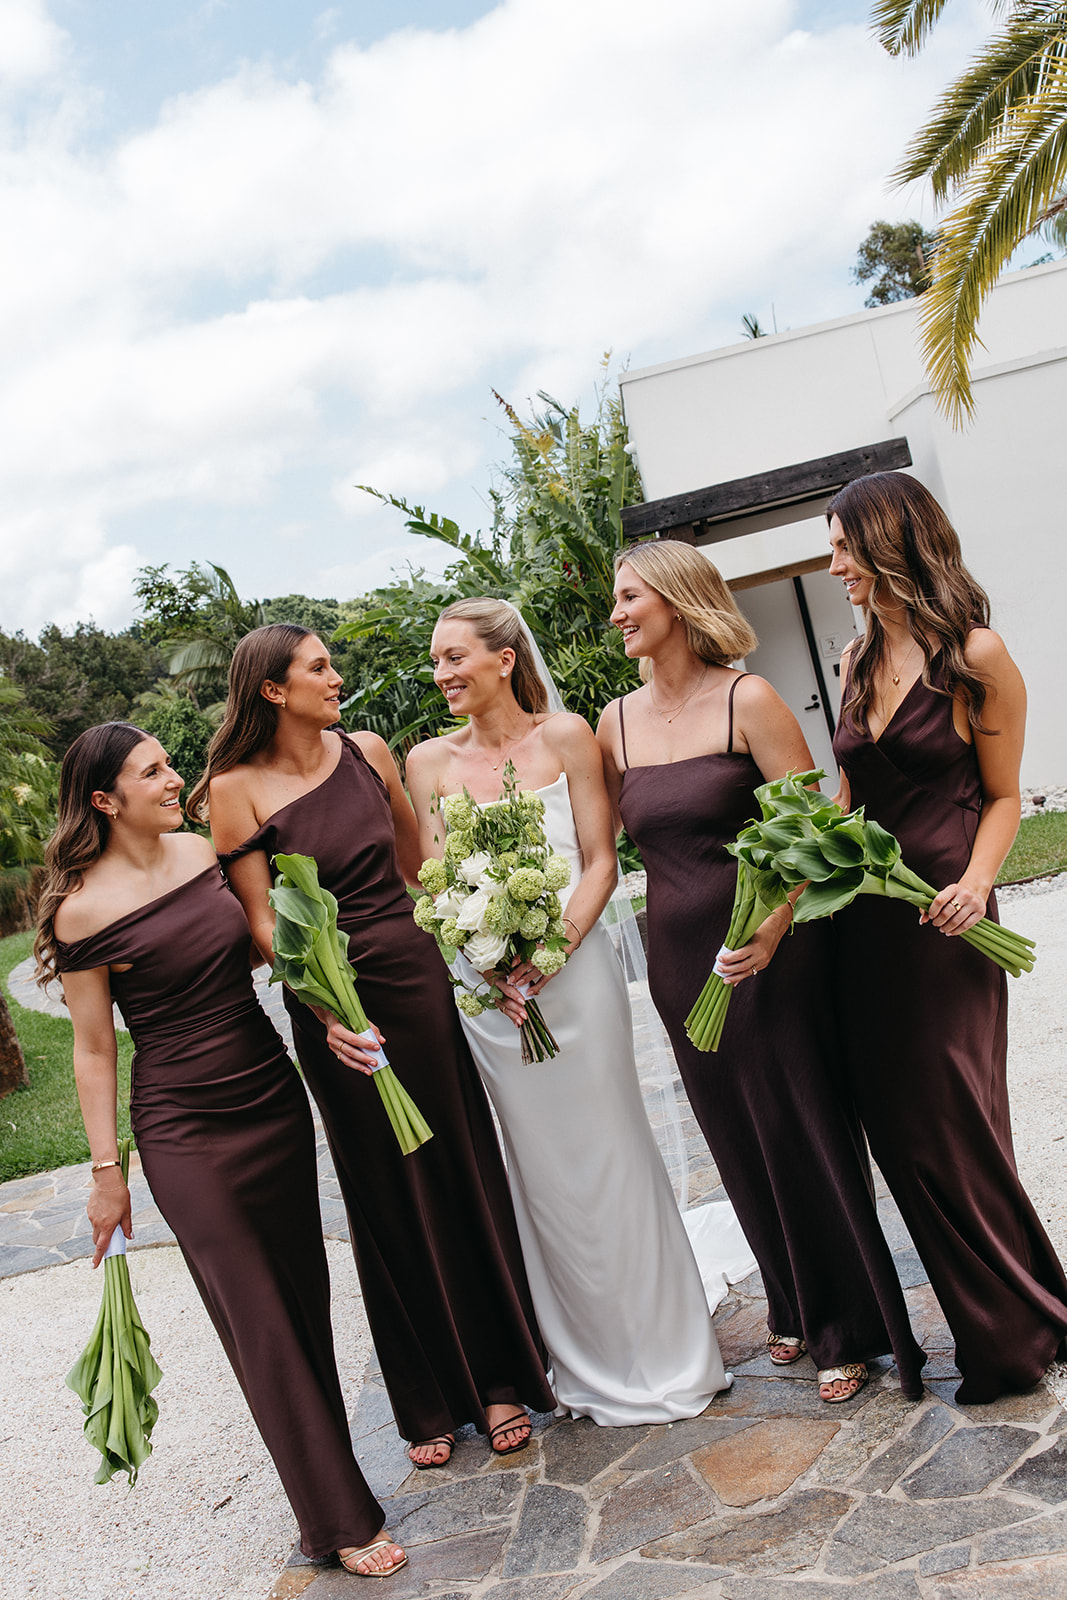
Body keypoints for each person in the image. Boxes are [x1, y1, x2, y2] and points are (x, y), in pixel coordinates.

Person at [34, 723, 405, 1578]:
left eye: (169, 766)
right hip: (185, 1130)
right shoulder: (81, 908)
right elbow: (95, 1049)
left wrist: (331, 1011)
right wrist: (106, 1173)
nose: (175, 780)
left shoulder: (202, 852)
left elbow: (270, 949)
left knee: (303, 1300)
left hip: (269, 1097)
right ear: (104, 799)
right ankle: (340, 1517)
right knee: (260, 1321)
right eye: (153, 772)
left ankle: (322, 1500)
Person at [194, 625, 555, 1469]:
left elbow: (416, 866)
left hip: (412, 983)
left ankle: (503, 1377)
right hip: (333, 1012)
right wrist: (323, 1013)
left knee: (457, 1167)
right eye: (318, 667)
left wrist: (481, 948)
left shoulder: (367, 750)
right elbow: (260, 922)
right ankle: (426, 1393)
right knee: (382, 1191)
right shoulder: (233, 789)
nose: (336, 676)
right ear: (273, 691)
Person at [597, 540, 925, 1404]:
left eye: (630, 598)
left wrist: (775, 929)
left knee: (798, 1129)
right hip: (676, 959)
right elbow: (603, 848)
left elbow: (817, 834)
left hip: (770, 953)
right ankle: (791, 1300)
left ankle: (848, 1325)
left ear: (675, 600)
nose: (617, 614)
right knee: (735, 1139)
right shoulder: (613, 722)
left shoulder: (749, 698)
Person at [406, 598, 742, 1425]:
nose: (442, 674)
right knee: (541, 1171)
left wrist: (549, 950)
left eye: (456, 657)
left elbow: (599, 860)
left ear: (503, 659)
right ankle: (584, 1360)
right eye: (437, 661)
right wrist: (491, 972)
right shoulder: (425, 762)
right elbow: (433, 878)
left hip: (574, 974)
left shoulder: (567, 737)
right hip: (493, 996)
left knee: (611, 1147)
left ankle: (666, 1350)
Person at [827, 470, 1067, 1403]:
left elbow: (1005, 796)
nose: (835, 560)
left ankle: (1009, 1332)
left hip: (947, 924)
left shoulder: (975, 654)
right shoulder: (851, 663)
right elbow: (845, 797)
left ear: (892, 541)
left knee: (956, 1121)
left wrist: (974, 882)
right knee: (901, 1130)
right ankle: (1029, 1307)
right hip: (861, 929)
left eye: (846, 542)